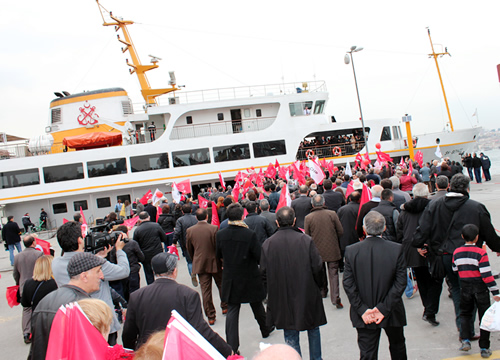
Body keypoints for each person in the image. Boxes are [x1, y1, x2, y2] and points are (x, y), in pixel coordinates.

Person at [413, 174, 500, 335]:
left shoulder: (435, 205)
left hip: (444, 255)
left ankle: (463, 327)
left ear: (450, 186)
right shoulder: (476, 207)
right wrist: (497, 247)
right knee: (471, 290)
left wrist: (418, 244)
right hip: (471, 256)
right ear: (467, 188)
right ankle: (465, 327)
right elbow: (489, 232)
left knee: (457, 290)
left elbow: (423, 228)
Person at [122, 252, 233, 357]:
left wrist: (136, 353)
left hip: (149, 353)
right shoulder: (188, 295)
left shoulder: (137, 296)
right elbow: (200, 329)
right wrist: (226, 350)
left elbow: (128, 333)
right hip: (178, 352)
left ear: (154, 272)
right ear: (174, 271)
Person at [261, 207, 326, 360]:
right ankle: (316, 358)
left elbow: (263, 272)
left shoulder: (268, 244)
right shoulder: (305, 240)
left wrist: (270, 291)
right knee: (313, 328)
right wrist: (319, 285)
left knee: (290, 332)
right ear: (294, 220)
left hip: (281, 293)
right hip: (307, 289)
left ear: (277, 222)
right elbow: (318, 266)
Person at [51, 221, 130, 345]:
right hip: (100, 321)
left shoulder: (55, 264)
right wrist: (119, 250)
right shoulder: (94, 263)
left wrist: (100, 257)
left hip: (75, 323)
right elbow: (124, 271)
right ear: (79, 240)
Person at [343, 211, 407, 360]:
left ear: (364, 229)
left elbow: (348, 283)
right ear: (384, 228)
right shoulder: (396, 249)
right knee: (398, 347)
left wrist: (363, 309)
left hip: (365, 311)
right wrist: (384, 308)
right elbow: (400, 282)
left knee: (368, 353)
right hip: (391, 309)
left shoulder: (352, 251)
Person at [216, 203, 273, 354]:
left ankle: (232, 346)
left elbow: (218, 255)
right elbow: (259, 256)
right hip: (249, 275)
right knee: (257, 304)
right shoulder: (249, 234)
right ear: (242, 216)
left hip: (231, 277)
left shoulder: (221, 235)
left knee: (233, 310)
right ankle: (265, 328)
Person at [30, 252, 105, 360]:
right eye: (98, 271)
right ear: (84, 276)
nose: (101, 276)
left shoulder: (45, 301)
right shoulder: (85, 307)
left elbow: (36, 347)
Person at [396, 183, 442, 327]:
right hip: (431, 248)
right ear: (427, 194)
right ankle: (430, 310)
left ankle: (427, 307)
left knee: (421, 280)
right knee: (436, 279)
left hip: (412, 249)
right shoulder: (433, 208)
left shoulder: (405, 211)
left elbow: (400, 231)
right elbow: (436, 227)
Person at [453, 224, 500, 358]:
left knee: (465, 314)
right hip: (480, 287)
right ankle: (484, 347)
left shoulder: (456, 252)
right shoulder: (481, 253)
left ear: (462, 236)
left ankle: (465, 340)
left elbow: (455, 269)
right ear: (477, 237)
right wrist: (495, 292)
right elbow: (486, 275)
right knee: (484, 317)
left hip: (465, 286)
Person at [186, 208, 227, 325]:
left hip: (200, 262)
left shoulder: (190, 231)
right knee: (221, 284)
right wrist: (222, 261)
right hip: (215, 261)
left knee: (205, 290)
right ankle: (225, 305)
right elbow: (218, 247)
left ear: (196, 218)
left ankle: (210, 315)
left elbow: (189, 247)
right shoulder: (213, 228)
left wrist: (195, 258)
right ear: (207, 217)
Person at [304, 194, 344, 308]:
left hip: (316, 249)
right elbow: (340, 231)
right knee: (333, 273)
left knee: (320, 271)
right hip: (332, 247)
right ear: (324, 203)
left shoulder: (309, 218)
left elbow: (307, 235)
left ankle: (323, 291)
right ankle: (335, 297)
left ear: (312, 204)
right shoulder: (332, 214)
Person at [13, 235, 43, 343]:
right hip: (37, 284)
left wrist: (18, 283)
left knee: (26, 309)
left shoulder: (17, 257)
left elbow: (15, 274)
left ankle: (26, 333)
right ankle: (40, 330)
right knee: (39, 307)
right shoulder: (39, 254)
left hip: (24, 286)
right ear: (34, 243)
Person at [21, 256, 58, 339]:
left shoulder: (28, 283)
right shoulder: (56, 283)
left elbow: (25, 303)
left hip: (37, 320)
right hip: (53, 319)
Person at [133, 212, 166, 285]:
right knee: (160, 271)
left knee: (149, 274)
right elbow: (164, 238)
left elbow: (135, 244)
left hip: (145, 255)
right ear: (149, 217)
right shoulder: (156, 226)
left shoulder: (137, 230)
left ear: (140, 219)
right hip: (158, 252)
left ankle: (152, 290)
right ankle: (163, 286)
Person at [114, 225, 145, 301]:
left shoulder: (114, 246)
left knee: (125, 292)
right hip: (133, 270)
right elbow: (141, 256)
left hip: (121, 272)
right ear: (127, 233)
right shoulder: (133, 243)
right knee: (135, 291)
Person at [173, 203, 198, 285]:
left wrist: (174, 242)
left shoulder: (180, 220)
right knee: (198, 259)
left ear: (182, 211)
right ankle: (201, 276)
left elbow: (177, 232)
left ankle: (192, 272)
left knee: (189, 261)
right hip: (197, 242)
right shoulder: (196, 218)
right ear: (191, 210)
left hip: (186, 243)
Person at [337, 191, 361, 262]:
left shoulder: (342, 209)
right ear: (359, 199)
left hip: (345, 236)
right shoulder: (361, 209)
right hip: (358, 236)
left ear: (350, 199)